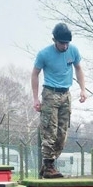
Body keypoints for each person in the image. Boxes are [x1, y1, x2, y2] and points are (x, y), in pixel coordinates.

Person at [31, 22, 87, 178]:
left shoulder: (73, 50)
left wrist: (83, 89)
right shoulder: (44, 54)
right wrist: (36, 98)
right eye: (62, 43)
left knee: (62, 134)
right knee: (50, 130)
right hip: (50, 93)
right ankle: (48, 166)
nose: (64, 46)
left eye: (67, 43)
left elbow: (79, 68)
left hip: (65, 94)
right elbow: (35, 73)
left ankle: (48, 164)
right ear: (54, 40)